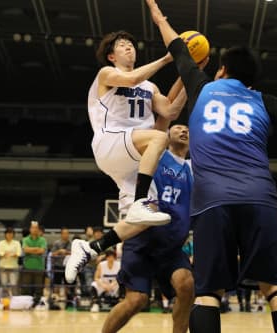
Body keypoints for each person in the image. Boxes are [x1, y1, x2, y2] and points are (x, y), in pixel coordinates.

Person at [144, 1, 277, 332]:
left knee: (207, 294)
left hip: (211, 202)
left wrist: (159, 17)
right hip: (259, 200)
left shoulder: (201, 88)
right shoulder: (263, 100)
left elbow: (177, 48)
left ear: (222, 71)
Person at [66, 31, 191, 283]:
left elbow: (170, 109)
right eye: (122, 45)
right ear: (112, 56)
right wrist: (167, 59)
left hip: (134, 160)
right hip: (111, 142)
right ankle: (139, 201)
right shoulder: (106, 75)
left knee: (143, 220)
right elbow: (133, 79)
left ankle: (90, 248)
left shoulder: (150, 87)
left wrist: (189, 71)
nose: (129, 48)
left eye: (131, 44)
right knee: (159, 137)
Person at [101, 124, 194, 333]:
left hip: (170, 247)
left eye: (188, 129)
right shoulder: (157, 155)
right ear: (167, 135)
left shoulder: (192, 169)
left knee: (186, 285)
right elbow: (160, 123)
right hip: (142, 240)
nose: (184, 130)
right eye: (178, 127)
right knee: (136, 300)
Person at [21, 221, 47, 307]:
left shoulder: (43, 240)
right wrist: (36, 249)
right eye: (33, 228)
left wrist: (31, 249)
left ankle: (37, 305)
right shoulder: (25, 239)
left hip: (39, 268)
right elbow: (25, 250)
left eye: (36, 228)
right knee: (26, 288)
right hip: (27, 267)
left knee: (38, 288)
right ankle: (26, 305)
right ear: (30, 229)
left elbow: (42, 251)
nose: (34, 229)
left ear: (38, 229)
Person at [0, 227, 22, 297]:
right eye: (8, 233)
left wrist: (8, 254)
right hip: (3, 266)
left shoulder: (17, 243)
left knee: (13, 284)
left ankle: (14, 300)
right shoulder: (1, 242)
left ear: (13, 235)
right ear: (5, 234)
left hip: (13, 266)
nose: (9, 235)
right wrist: (10, 254)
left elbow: (19, 253)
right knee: (4, 284)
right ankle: (5, 300)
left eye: (11, 233)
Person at [51, 227, 72, 297]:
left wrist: (67, 252)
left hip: (68, 267)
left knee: (68, 285)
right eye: (64, 233)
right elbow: (52, 254)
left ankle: (68, 301)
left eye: (67, 233)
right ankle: (56, 300)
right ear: (61, 234)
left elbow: (75, 254)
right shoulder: (57, 243)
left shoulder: (71, 244)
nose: (66, 235)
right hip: (58, 266)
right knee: (57, 285)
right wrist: (59, 251)